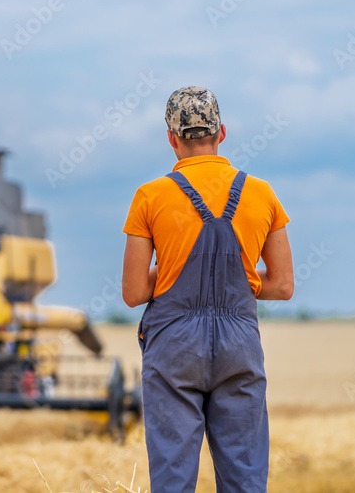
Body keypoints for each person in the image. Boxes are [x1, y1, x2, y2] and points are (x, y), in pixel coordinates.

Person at [121, 86, 294, 492]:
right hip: (239, 344)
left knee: (173, 479)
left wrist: (170, 271)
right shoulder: (262, 193)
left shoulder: (150, 196)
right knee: (245, 478)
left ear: (171, 138)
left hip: (173, 348)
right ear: (222, 133)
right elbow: (282, 285)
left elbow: (132, 292)